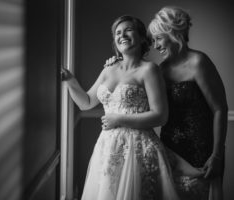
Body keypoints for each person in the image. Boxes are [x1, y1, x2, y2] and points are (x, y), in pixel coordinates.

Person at [62, 15, 203, 200]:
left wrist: (118, 119)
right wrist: (70, 80)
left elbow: (160, 116)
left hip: (138, 150)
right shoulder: (108, 70)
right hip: (108, 149)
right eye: (118, 33)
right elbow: (86, 102)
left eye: (128, 30)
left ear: (142, 38)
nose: (122, 35)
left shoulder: (149, 70)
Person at [105, 6, 228, 200]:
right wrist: (116, 64)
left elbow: (220, 109)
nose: (155, 45)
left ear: (173, 34)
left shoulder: (199, 62)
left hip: (202, 150)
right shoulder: (159, 70)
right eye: (152, 40)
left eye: (158, 38)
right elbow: (137, 99)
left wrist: (217, 155)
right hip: (169, 150)